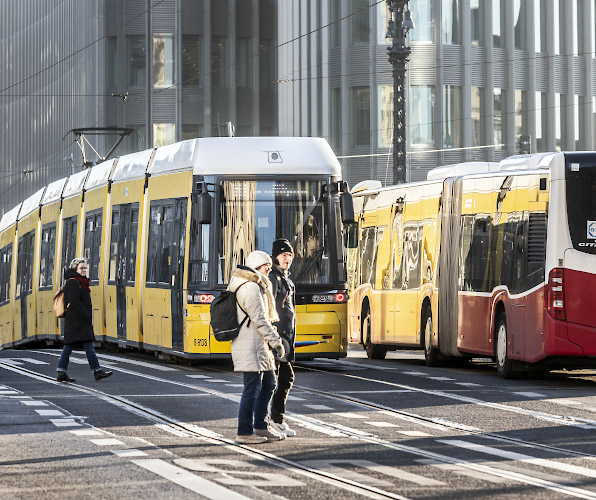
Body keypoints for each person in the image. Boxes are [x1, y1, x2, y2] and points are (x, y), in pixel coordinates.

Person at [229, 250, 286, 444]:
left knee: (269, 383)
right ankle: (244, 431)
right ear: (255, 267)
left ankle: (261, 426)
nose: (269, 269)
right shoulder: (251, 287)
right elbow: (260, 320)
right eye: (264, 266)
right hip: (250, 344)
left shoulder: (258, 285)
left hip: (257, 344)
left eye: (269, 265)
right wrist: (276, 342)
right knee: (252, 387)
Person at [56, 258, 113, 383]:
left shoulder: (79, 282)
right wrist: (86, 315)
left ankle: (61, 371)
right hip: (78, 320)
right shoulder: (74, 283)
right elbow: (75, 301)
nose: (84, 270)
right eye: (81, 268)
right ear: (75, 269)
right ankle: (97, 371)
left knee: (70, 345)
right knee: (87, 344)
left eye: (85, 268)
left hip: (76, 321)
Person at [269, 239, 297, 438]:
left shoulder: (286, 279)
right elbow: (270, 307)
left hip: (285, 338)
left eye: (290, 256)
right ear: (275, 256)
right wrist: (273, 336)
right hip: (277, 338)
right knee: (279, 379)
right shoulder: (273, 278)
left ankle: (276, 420)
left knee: (282, 379)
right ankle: (273, 420)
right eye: (284, 255)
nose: (287, 259)